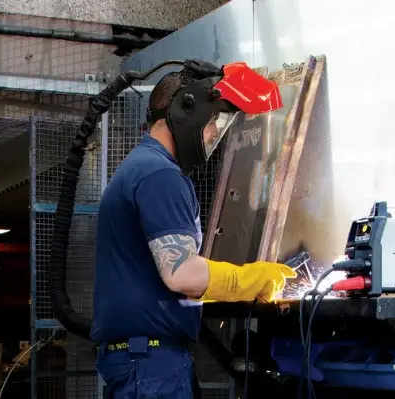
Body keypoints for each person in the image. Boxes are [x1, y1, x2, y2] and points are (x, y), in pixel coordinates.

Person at [91, 62, 297, 398]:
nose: (216, 131)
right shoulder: (160, 175)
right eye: (214, 119)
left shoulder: (139, 168)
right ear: (187, 110)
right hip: (152, 366)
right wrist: (252, 279)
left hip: (146, 360)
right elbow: (182, 274)